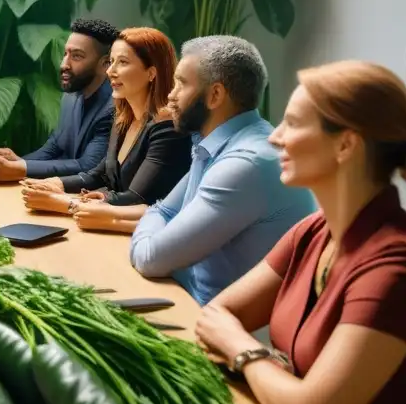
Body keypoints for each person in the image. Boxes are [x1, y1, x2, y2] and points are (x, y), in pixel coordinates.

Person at [144, 60, 406, 404]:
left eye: (291, 124)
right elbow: (218, 314)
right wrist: (272, 367)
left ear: (346, 145)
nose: (275, 138)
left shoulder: (394, 265)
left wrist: (248, 353)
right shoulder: (313, 232)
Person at [129, 36, 316, 305]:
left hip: (225, 330)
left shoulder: (246, 164)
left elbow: (151, 259)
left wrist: (147, 240)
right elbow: (163, 210)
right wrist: (154, 233)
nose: (171, 95)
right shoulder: (215, 143)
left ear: (215, 95)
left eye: (181, 83)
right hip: (193, 302)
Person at [21, 27, 191, 221]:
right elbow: (98, 176)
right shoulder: (123, 119)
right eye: (111, 62)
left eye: (123, 62)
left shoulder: (167, 127)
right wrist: (56, 183)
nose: (111, 71)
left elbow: (138, 199)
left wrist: (65, 203)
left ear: (151, 72)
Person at [0, 18, 117, 182]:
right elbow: (55, 145)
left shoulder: (113, 108)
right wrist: (15, 161)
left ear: (105, 64)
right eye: (65, 54)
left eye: (76, 56)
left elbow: (88, 166)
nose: (64, 64)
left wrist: (19, 169)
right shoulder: (70, 97)